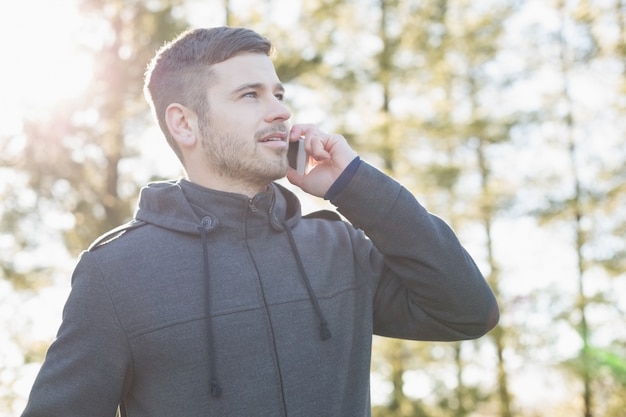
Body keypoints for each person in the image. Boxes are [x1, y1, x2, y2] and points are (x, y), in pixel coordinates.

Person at [21, 26, 499, 417]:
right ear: (184, 124)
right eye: (250, 95)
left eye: (278, 93)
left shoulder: (338, 248)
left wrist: (353, 184)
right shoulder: (117, 271)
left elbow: (468, 312)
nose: (280, 110)